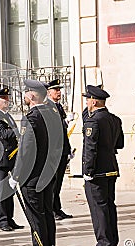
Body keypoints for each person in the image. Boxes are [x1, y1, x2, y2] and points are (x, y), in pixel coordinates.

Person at [9, 79, 63, 246]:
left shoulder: (32, 117)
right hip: (48, 175)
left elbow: (26, 150)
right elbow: (59, 146)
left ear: (31, 95)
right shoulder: (53, 114)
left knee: (37, 218)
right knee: (47, 216)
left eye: (25, 93)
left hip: (32, 178)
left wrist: (16, 176)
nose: (24, 96)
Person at [82, 85, 124, 246]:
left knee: (98, 208)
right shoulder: (114, 119)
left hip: (97, 171)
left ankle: (103, 243)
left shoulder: (93, 121)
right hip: (111, 167)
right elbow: (119, 144)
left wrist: (88, 171)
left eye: (87, 99)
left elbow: (90, 148)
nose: (86, 102)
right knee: (108, 206)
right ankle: (112, 241)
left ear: (94, 101)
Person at [0, 85, 23, 231]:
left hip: (12, 156)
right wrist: (18, 130)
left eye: (7, 99)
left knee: (10, 190)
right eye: (4, 99)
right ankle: (2, 220)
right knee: (2, 191)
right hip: (2, 158)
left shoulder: (7, 115)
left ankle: (10, 218)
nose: (7, 101)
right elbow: (2, 134)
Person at [45, 79, 73, 220]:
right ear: (49, 92)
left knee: (59, 181)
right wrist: (65, 121)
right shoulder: (48, 106)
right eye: (56, 90)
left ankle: (57, 208)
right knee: (54, 182)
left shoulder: (58, 106)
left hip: (62, 149)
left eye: (59, 90)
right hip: (54, 151)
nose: (59, 92)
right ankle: (52, 210)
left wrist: (68, 149)